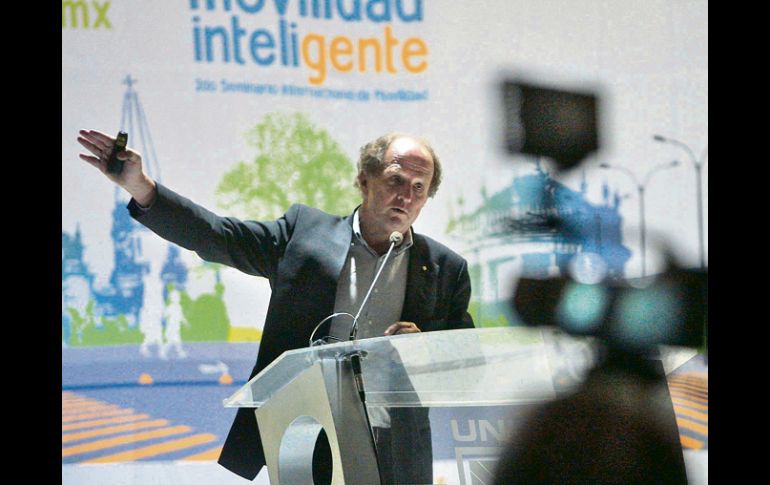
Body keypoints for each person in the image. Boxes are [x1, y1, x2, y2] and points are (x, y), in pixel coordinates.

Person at [78, 129, 475, 483]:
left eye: (419, 187)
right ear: (364, 180)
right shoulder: (305, 234)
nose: (406, 196)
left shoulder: (445, 269)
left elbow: (466, 360)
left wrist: (426, 347)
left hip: (398, 447)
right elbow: (219, 236)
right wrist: (142, 188)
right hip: (310, 432)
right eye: (395, 180)